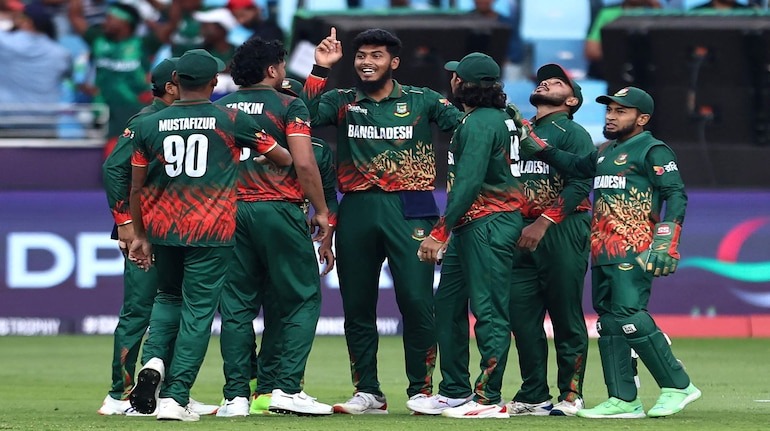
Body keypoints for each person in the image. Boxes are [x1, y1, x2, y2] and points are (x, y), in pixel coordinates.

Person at [126, 48, 293, 422]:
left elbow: (136, 188)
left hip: (163, 228)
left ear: (176, 82)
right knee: (198, 312)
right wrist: (258, 156)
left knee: (167, 298)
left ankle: (153, 360)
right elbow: (283, 157)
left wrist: (140, 234)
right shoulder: (230, 119)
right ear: (215, 82)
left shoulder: (148, 124)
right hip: (211, 230)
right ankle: (175, 397)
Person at [305, 27, 464, 414]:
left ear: (394, 62)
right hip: (357, 208)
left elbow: (467, 127)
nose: (366, 62)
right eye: (361, 55)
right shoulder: (342, 101)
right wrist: (320, 69)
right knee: (357, 305)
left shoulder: (423, 99)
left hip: (412, 207)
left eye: (376, 55)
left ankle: (422, 390)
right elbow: (301, 118)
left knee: (417, 301)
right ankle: (368, 392)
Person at [520, 86, 701, 419]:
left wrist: (666, 240)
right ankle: (623, 399)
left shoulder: (653, 150)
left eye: (621, 111)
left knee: (629, 315)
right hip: (602, 250)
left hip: (636, 248)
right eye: (609, 110)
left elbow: (675, 194)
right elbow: (576, 166)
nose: (611, 117)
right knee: (609, 323)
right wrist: (542, 149)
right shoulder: (605, 151)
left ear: (642, 118)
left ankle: (678, 385)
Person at [213, 37, 332, 417]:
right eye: (281, 65)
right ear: (272, 69)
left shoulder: (220, 108)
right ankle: (287, 388)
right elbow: (305, 162)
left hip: (229, 213)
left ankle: (235, 397)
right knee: (302, 298)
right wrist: (321, 210)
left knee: (236, 307)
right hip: (277, 209)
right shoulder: (288, 104)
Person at [413, 52, 524, 419]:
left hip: (489, 222)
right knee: (447, 306)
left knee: (489, 310)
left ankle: (489, 398)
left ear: (461, 83)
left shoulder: (479, 123)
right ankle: (455, 391)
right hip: (473, 223)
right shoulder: (493, 117)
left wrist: (439, 231)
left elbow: (469, 182)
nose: (451, 80)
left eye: (455, 75)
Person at [504, 63, 593, 417]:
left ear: (571, 100)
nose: (545, 82)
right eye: (543, 79)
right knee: (521, 319)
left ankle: (571, 395)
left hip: (560, 229)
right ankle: (534, 394)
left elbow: (580, 183)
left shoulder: (573, 132)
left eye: (557, 82)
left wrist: (543, 222)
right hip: (518, 231)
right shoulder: (519, 131)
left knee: (565, 314)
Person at [68, 0, 161, 157]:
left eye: (110, 18)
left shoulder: (144, 45)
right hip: (103, 108)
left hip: (134, 110)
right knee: (112, 160)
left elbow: (172, 25)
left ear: (125, 22)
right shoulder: (98, 39)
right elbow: (75, 16)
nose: (105, 22)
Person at [0, 1, 71, 106]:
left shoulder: (6, 44)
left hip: (9, 113)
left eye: (21, 17)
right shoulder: (61, 54)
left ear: (28, 22)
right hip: (46, 114)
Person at [584, 0, 661, 80]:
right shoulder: (608, 13)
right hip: (611, 75)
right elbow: (591, 51)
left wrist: (657, 11)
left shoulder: (655, 13)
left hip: (647, 76)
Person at [468, 0, 524, 81]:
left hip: (502, 69)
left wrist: (506, 61)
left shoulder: (506, 24)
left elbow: (515, 51)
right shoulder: (462, 21)